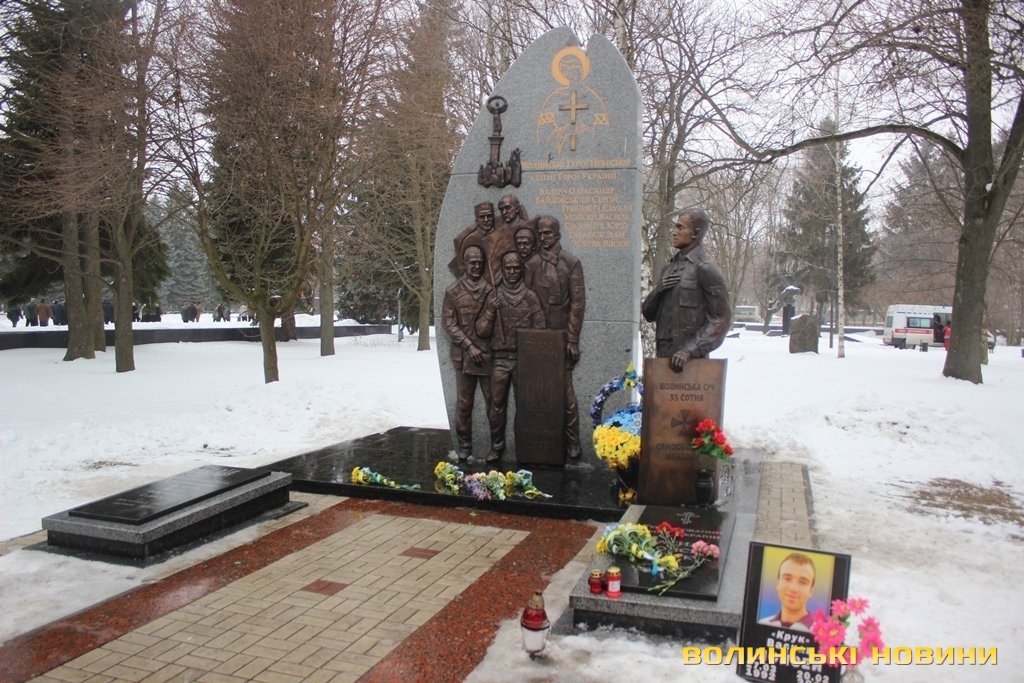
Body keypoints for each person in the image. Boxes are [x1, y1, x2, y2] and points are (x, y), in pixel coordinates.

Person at [475, 251, 546, 462]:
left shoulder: (531, 297)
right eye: (508, 268)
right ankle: (497, 446)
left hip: (524, 360)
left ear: (521, 270)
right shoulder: (494, 296)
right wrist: (490, 311)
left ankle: (524, 448)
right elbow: (481, 331)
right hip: (499, 360)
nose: (512, 271)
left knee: (526, 406)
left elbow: (541, 329)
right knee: (496, 406)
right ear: (503, 270)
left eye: (516, 268)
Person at [642, 208, 731, 372]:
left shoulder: (706, 269)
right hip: (663, 358)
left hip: (692, 365)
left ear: (696, 233)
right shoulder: (669, 269)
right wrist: (658, 290)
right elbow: (648, 313)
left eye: (680, 227)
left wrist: (691, 350)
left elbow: (721, 319)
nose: (674, 232)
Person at [531, 215, 586, 459]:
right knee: (536, 393)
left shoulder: (571, 263)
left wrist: (572, 339)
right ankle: (541, 442)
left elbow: (577, 303)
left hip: (560, 337)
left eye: (548, 233)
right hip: (534, 338)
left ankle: (572, 440)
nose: (543, 237)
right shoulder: (531, 264)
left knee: (566, 393)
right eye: (540, 233)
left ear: (558, 235)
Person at [442, 245, 493, 462]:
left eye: (480, 263)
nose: (477, 266)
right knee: (464, 404)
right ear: (464, 264)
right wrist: (469, 346)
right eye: (472, 263)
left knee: (494, 403)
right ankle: (464, 445)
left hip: (487, 356)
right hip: (464, 357)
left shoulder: (490, 290)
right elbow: (449, 324)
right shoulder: (453, 291)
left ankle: (497, 446)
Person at [758, 552, 817, 632]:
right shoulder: (762, 625)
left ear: (811, 591)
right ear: (777, 584)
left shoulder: (820, 634)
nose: (793, 588)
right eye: (787, 579)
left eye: (803, 582)